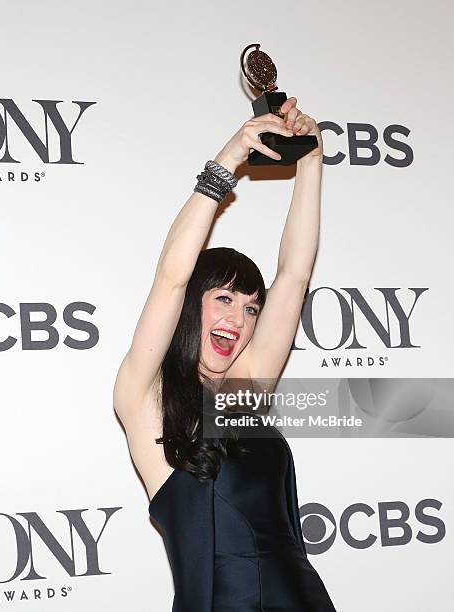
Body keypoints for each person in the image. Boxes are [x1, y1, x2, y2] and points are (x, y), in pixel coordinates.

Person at [113, 97, 337, 611]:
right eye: (224, 299)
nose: (239, 320)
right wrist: (228, 161)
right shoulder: (145, 396)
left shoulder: (246, 388)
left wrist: (310, 159)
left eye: (251, 308)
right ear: (192, 306)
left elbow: (295, 274)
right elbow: (171, 276)